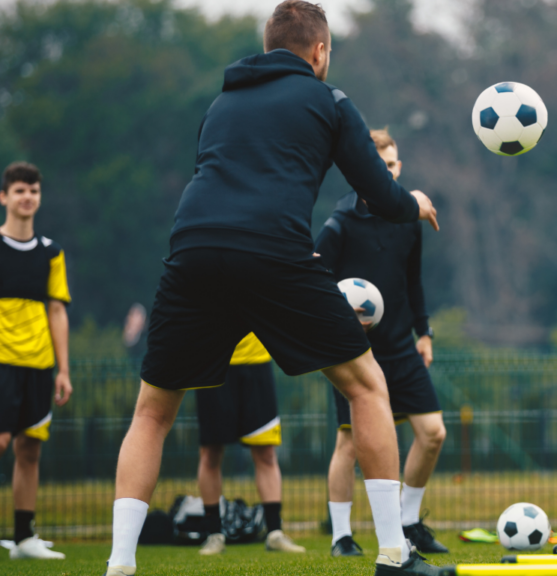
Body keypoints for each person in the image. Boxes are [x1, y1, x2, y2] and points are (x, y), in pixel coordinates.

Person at [102, 2, 440, 575]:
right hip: (273, 251)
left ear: (267, 47)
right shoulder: (328, 100)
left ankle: (119, 564)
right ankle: (393, 554)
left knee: (152, 413)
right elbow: (380, 194)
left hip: (193, 249)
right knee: (366, 387)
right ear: (320, 51)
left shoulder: (221, 102)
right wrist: (415, 204)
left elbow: (211, 175)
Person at [315, 129, 447, 558]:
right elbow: (314, 282)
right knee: (350, 443)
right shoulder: (339, 224)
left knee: (432, 434)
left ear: (399, 168)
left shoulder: (409, 218)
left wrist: (423, 331)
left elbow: (413, 280)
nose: (387, 174)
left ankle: (408, 522)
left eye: (392, 167)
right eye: (379, 168)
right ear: (361, 172)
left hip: (402, 347)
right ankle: (341, 536)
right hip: (355, 353)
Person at [0, 161, 72, 560]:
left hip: (40, 364)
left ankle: (24, 539)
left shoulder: (51, 253)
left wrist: (63, 369)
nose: (27, 197)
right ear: (4, 197)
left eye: (34, 190)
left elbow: (57, 311)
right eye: (20, 190)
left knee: (30, 449)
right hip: (2, 362)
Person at [194, 333, 304, 555]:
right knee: (210, 453)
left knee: (266, 454)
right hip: (213, 360)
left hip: (257, 362)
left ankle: (274, 533)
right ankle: (214, 535)